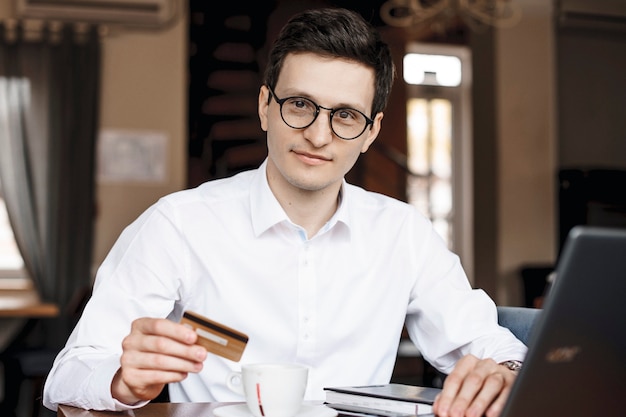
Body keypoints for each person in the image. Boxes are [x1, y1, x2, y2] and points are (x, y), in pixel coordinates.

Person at [43, 7, 526, 417]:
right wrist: (122, 383)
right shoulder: (178, 224)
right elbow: (67, 374)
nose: (318, 135)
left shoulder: (405, 234)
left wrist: (503, 374)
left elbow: (499, 349)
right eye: (300, 105)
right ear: (264, 107)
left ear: (371, 131)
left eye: (345, 115)